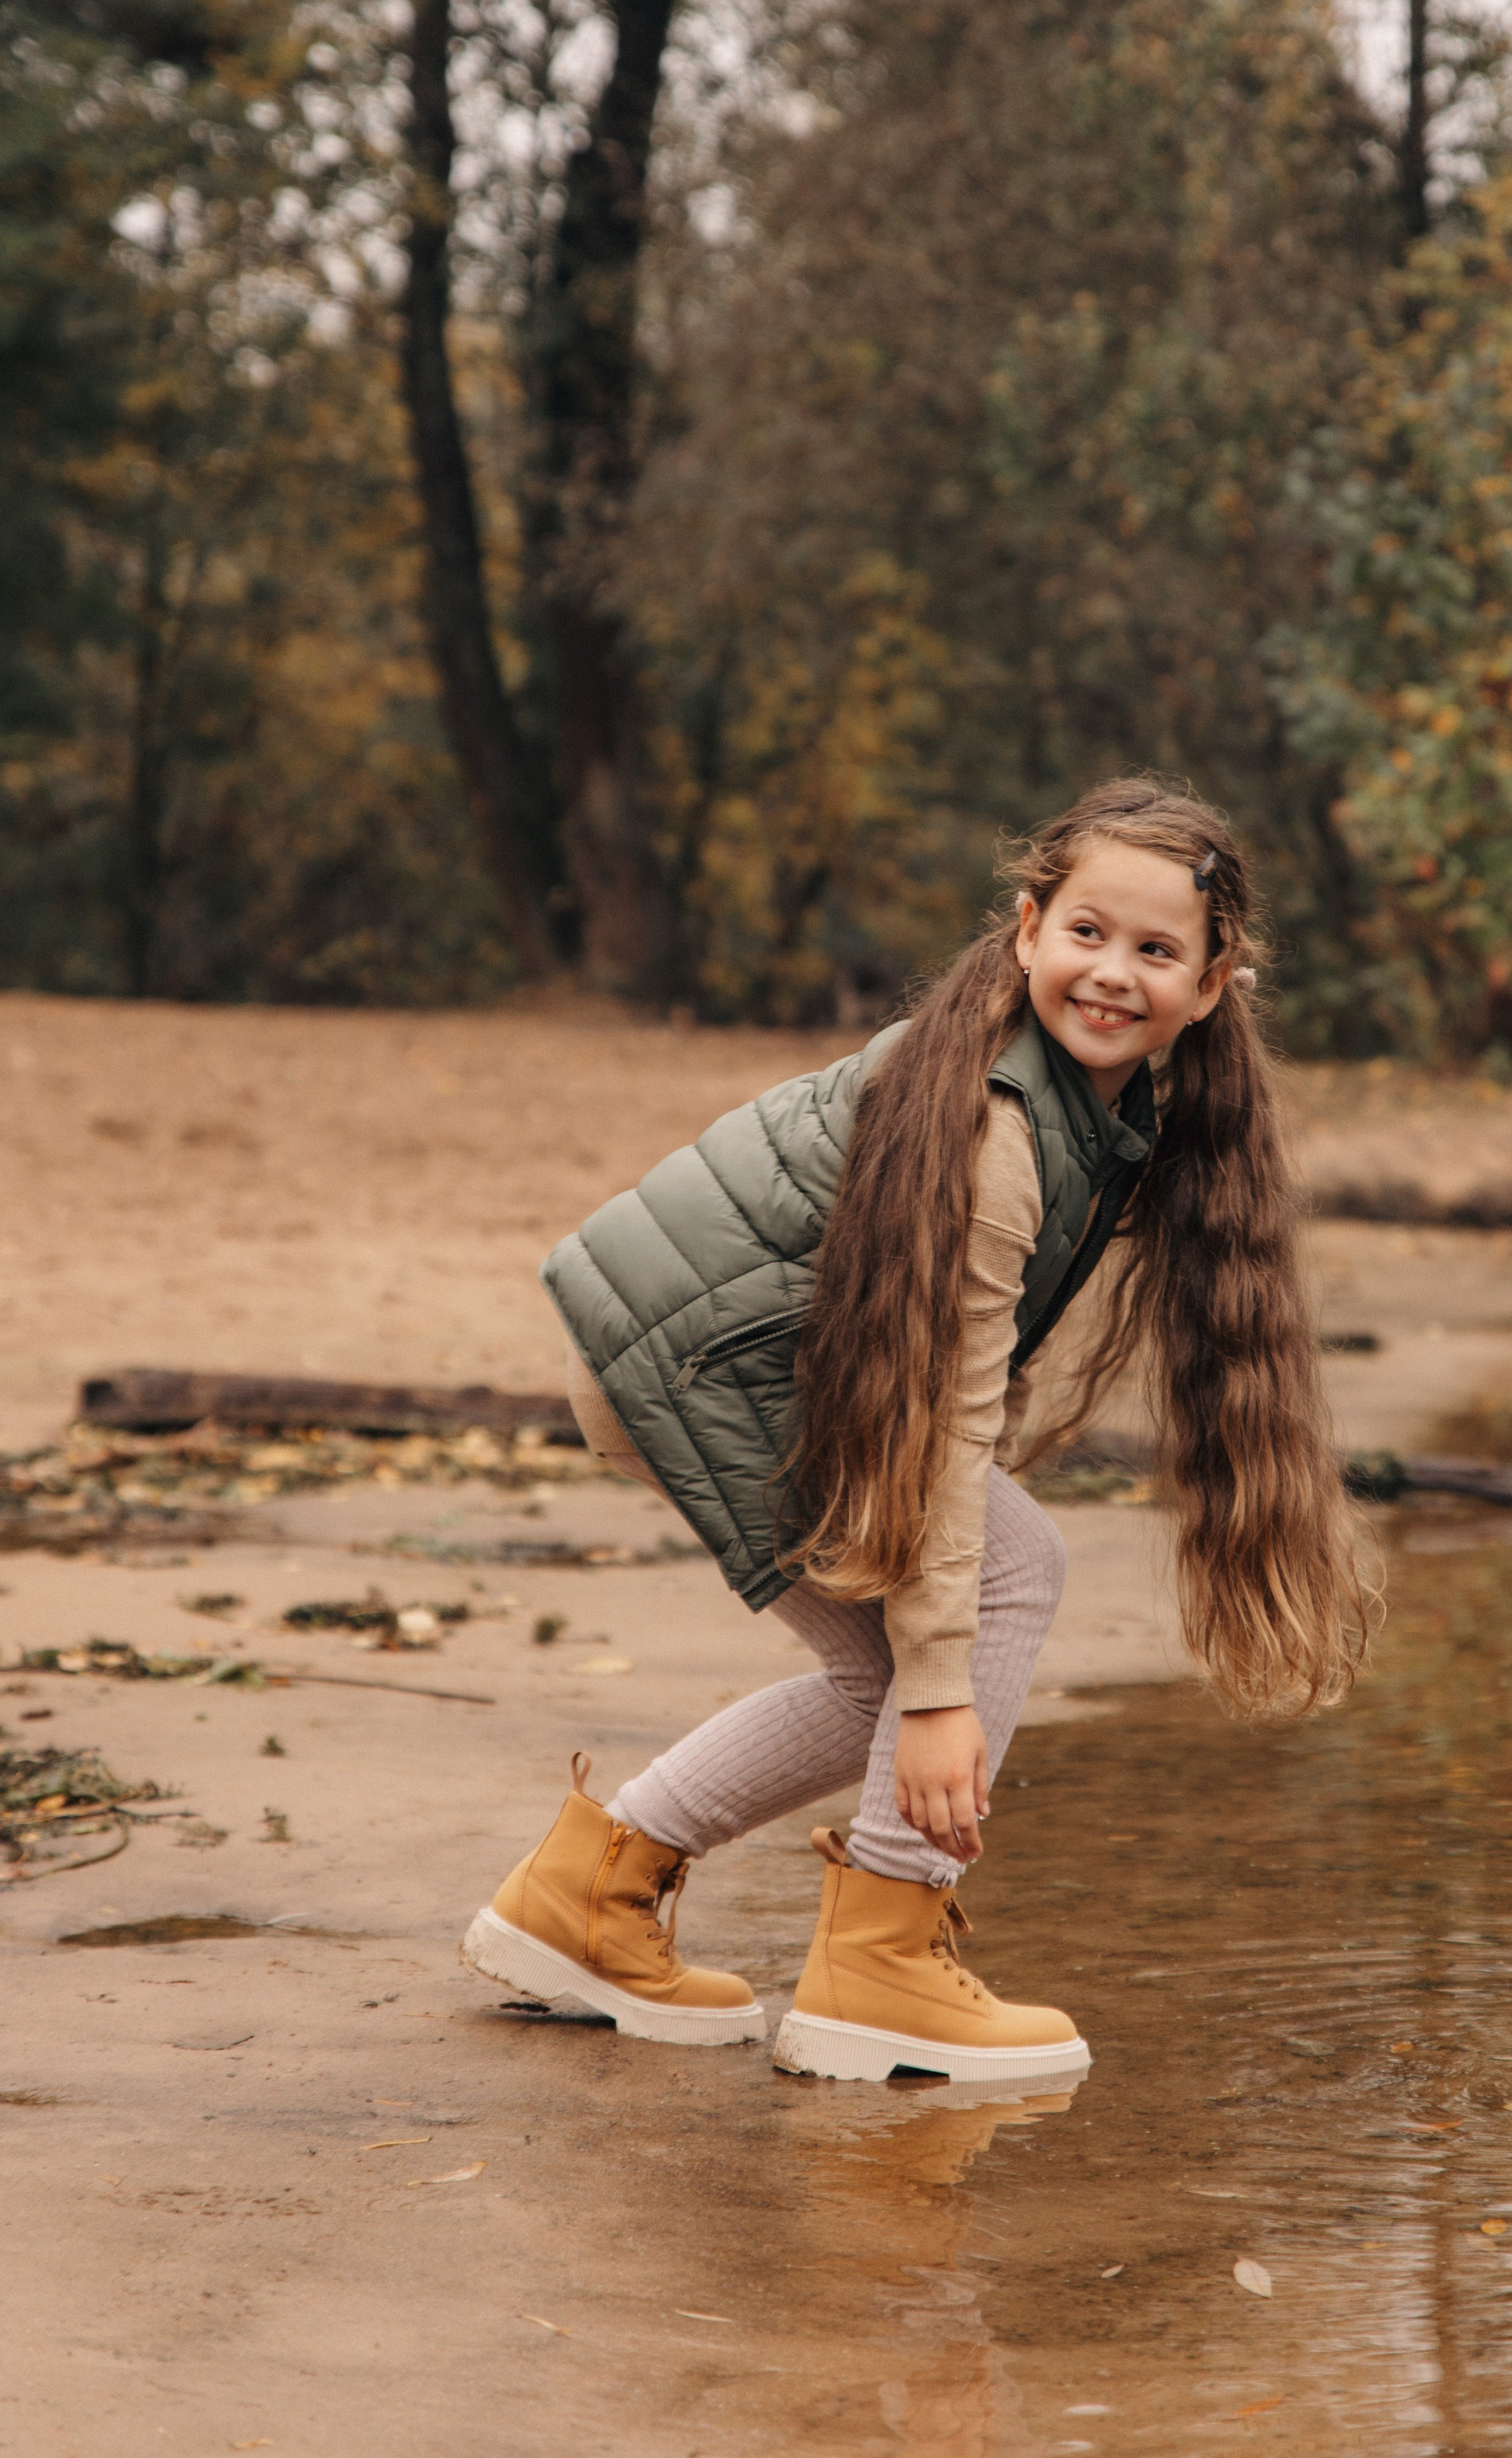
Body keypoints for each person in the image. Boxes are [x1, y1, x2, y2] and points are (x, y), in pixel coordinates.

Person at [461, 778, 1374, 2084]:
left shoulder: (1104, 1109)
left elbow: (981, 1375)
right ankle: (883, 1962)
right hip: (708, 1362)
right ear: (1026, 929)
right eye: (1087, 933)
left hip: (725, 1353)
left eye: (1157, 951)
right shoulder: (994, 1125)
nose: (1114, 974)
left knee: (901, 1658)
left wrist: (931, 1665)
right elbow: (936, 1415)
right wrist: (944, 1689)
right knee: (1000, 1586)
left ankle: (588, 1895)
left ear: (1214, 982)